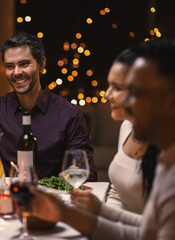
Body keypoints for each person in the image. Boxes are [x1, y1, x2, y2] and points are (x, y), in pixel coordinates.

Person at [28, 39, 175, 239]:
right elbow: (147, 231)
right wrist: (69, 213)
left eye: (136, 93)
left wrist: (69, 214)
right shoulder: (166, 159)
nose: (127, 105)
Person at [0, 32, 97, 180]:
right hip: (4, 198)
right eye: (10, 66)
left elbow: (89, 174)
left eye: (24, 64)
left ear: (41, 64)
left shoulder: (69, 114)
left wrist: (74, 173)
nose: (17, 72)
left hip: (52, 199)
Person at [71, 47, 160, 216]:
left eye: (117, 87)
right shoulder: (128, 126)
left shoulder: (166, 142)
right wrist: (101, 218)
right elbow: (117, 195)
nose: (106, 95)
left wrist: (99, 217)